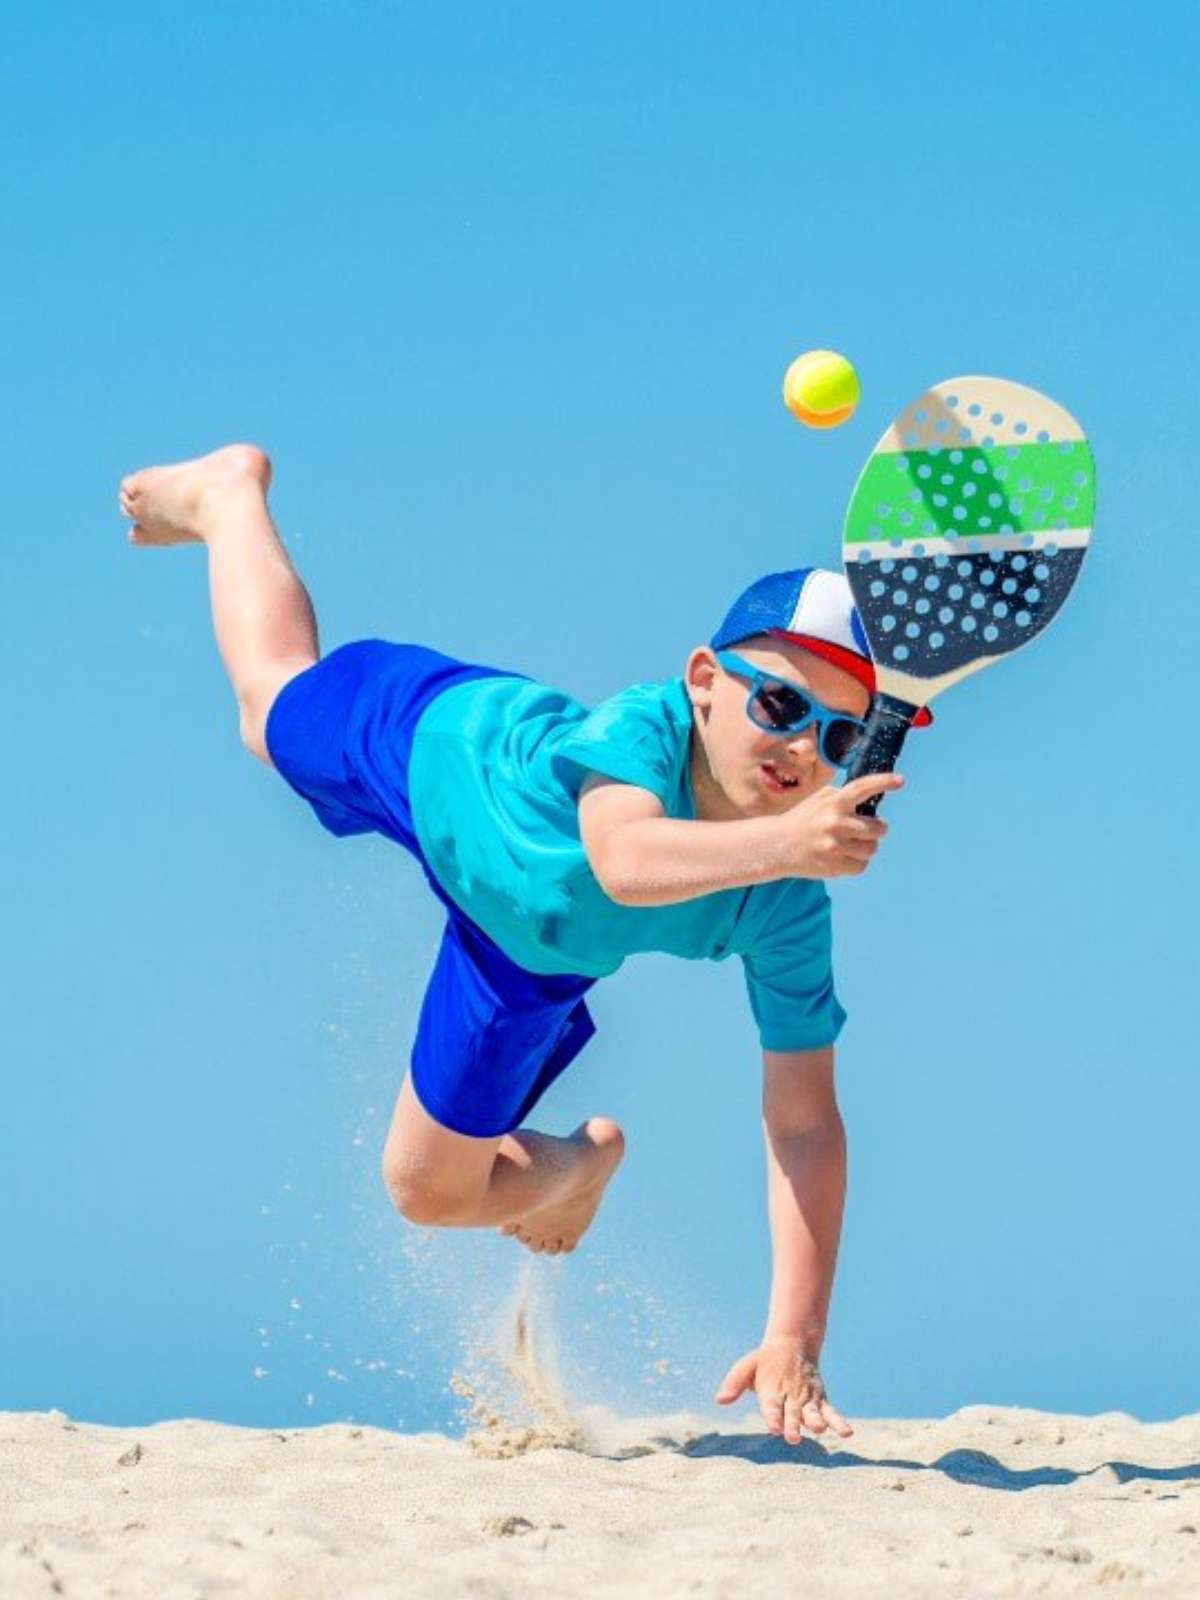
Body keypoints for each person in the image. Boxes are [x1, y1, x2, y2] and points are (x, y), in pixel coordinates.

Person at [119, 441, 917, 1448]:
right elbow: (625, 857)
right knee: (267, 702)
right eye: (780, 705)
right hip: (439, 748)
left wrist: (794, 1332)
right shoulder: (647, 731)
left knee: (423, 1190)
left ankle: (578, 1168)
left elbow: (804, 1120)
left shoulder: (788, 899)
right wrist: (786, 844)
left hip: (527, 947)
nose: (805, 749)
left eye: (841, 737)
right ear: (704, 680)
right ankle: (231, 494)